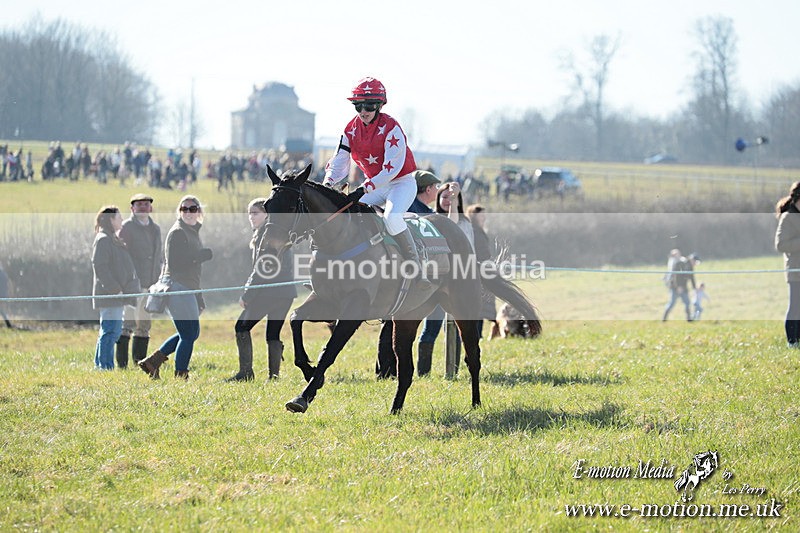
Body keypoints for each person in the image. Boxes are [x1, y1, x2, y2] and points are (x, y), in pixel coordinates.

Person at [322, 76, 430, 289]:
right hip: (375, 184)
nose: (364, 111)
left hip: (401, 183)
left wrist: (364, 188)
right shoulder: (350, 130)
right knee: (347, 212)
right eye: (359, 106)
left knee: (391, 218)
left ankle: (415, 267)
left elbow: (391, 169)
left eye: (369, 105)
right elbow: (339, 162)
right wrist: (327, 184)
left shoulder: (392, 127)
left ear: (380, 105)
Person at [138, 196, 213, 379]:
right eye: (184, 209)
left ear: (199, 211)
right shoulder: (178, 232)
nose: (188, 212)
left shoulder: (191, 232)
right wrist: (199, 256)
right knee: (188, 334)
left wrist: (198, 296)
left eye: (192, 209)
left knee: (189, 333)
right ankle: (181, 374)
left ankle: (153, 362)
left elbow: (193, 273)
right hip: (177, 287)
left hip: (188, 288)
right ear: (179, 211)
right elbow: (175, 264)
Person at [376, 169, 441, 378]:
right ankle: (386, 371)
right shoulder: (416, 211)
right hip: (403, 274)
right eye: (436, 187)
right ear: (429, 189)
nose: (438, 191)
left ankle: (386, 370)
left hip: (402, 273)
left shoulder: (415, 207)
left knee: (392, 326)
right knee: (392, 326)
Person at [227, 197, 297, 382]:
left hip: (271, 292)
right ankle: (273, 377)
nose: (251, 217)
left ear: (267, 215)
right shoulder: (272, 232)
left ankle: (245, 373)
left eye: (255, 213)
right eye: (250, 213)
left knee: (241, 327)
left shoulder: (267, 234)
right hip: (285, 293)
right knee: (272, 333)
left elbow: (262, 269)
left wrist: (247, 294)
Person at [91, 206, 140, 370]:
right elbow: (100, 267)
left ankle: (101, 365)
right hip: (110, 295)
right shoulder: (104, 239)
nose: (121, 220)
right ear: (110, 220)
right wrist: (114, 289)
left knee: (111, 330)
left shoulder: (112, 238)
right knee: (110, 331)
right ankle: (105, 367)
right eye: (118, 217)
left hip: (116, 294)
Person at [117, 193, 162, 368]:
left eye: (146, 204)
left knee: (144, 324)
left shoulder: (155, 228)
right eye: (139, 205)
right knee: (127, 324)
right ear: (132, 208)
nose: (143, 207)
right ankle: (122, 364)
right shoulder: (127, 227)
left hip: (150, 284)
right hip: (131, 284)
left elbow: (158, 255)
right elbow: (121, 256)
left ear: (150, 208)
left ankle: (139, 362)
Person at [466, 204, 497, 338]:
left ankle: (478, 334)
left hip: (484, 271)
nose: (484, 218)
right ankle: (476, 335)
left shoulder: (479, 231)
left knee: (482, 306)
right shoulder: (474, 232)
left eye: (484, 216)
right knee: (477, 306)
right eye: (481, 216)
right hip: (477, 272)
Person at [775, 181, 800, 347]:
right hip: (796, 270)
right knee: (796, 307)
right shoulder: (788, 217)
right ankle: (792, 342)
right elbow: (780, 245)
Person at [662, 251, 698, 322]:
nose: (695, 264)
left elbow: (692, 277)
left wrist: (694, 288)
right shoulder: (682, 263)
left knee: (687, 302)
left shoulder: (690, 267)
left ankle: (689, 319)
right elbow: (676, 276)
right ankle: (664, 318)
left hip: (684, 287)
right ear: (692, 260)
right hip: (675, 287)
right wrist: (678, 286)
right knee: (672, 303)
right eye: (695, 262)